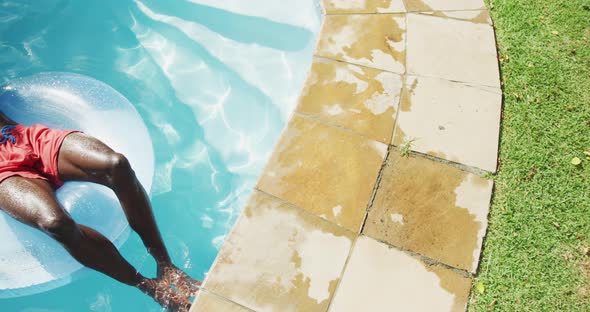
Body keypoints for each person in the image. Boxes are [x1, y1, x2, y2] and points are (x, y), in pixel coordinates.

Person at [0, 111, 199, 311]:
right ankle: (149, 287)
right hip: (3, 171)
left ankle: (166, 265)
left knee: (116, 165)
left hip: (22, 138)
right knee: (56, 223)